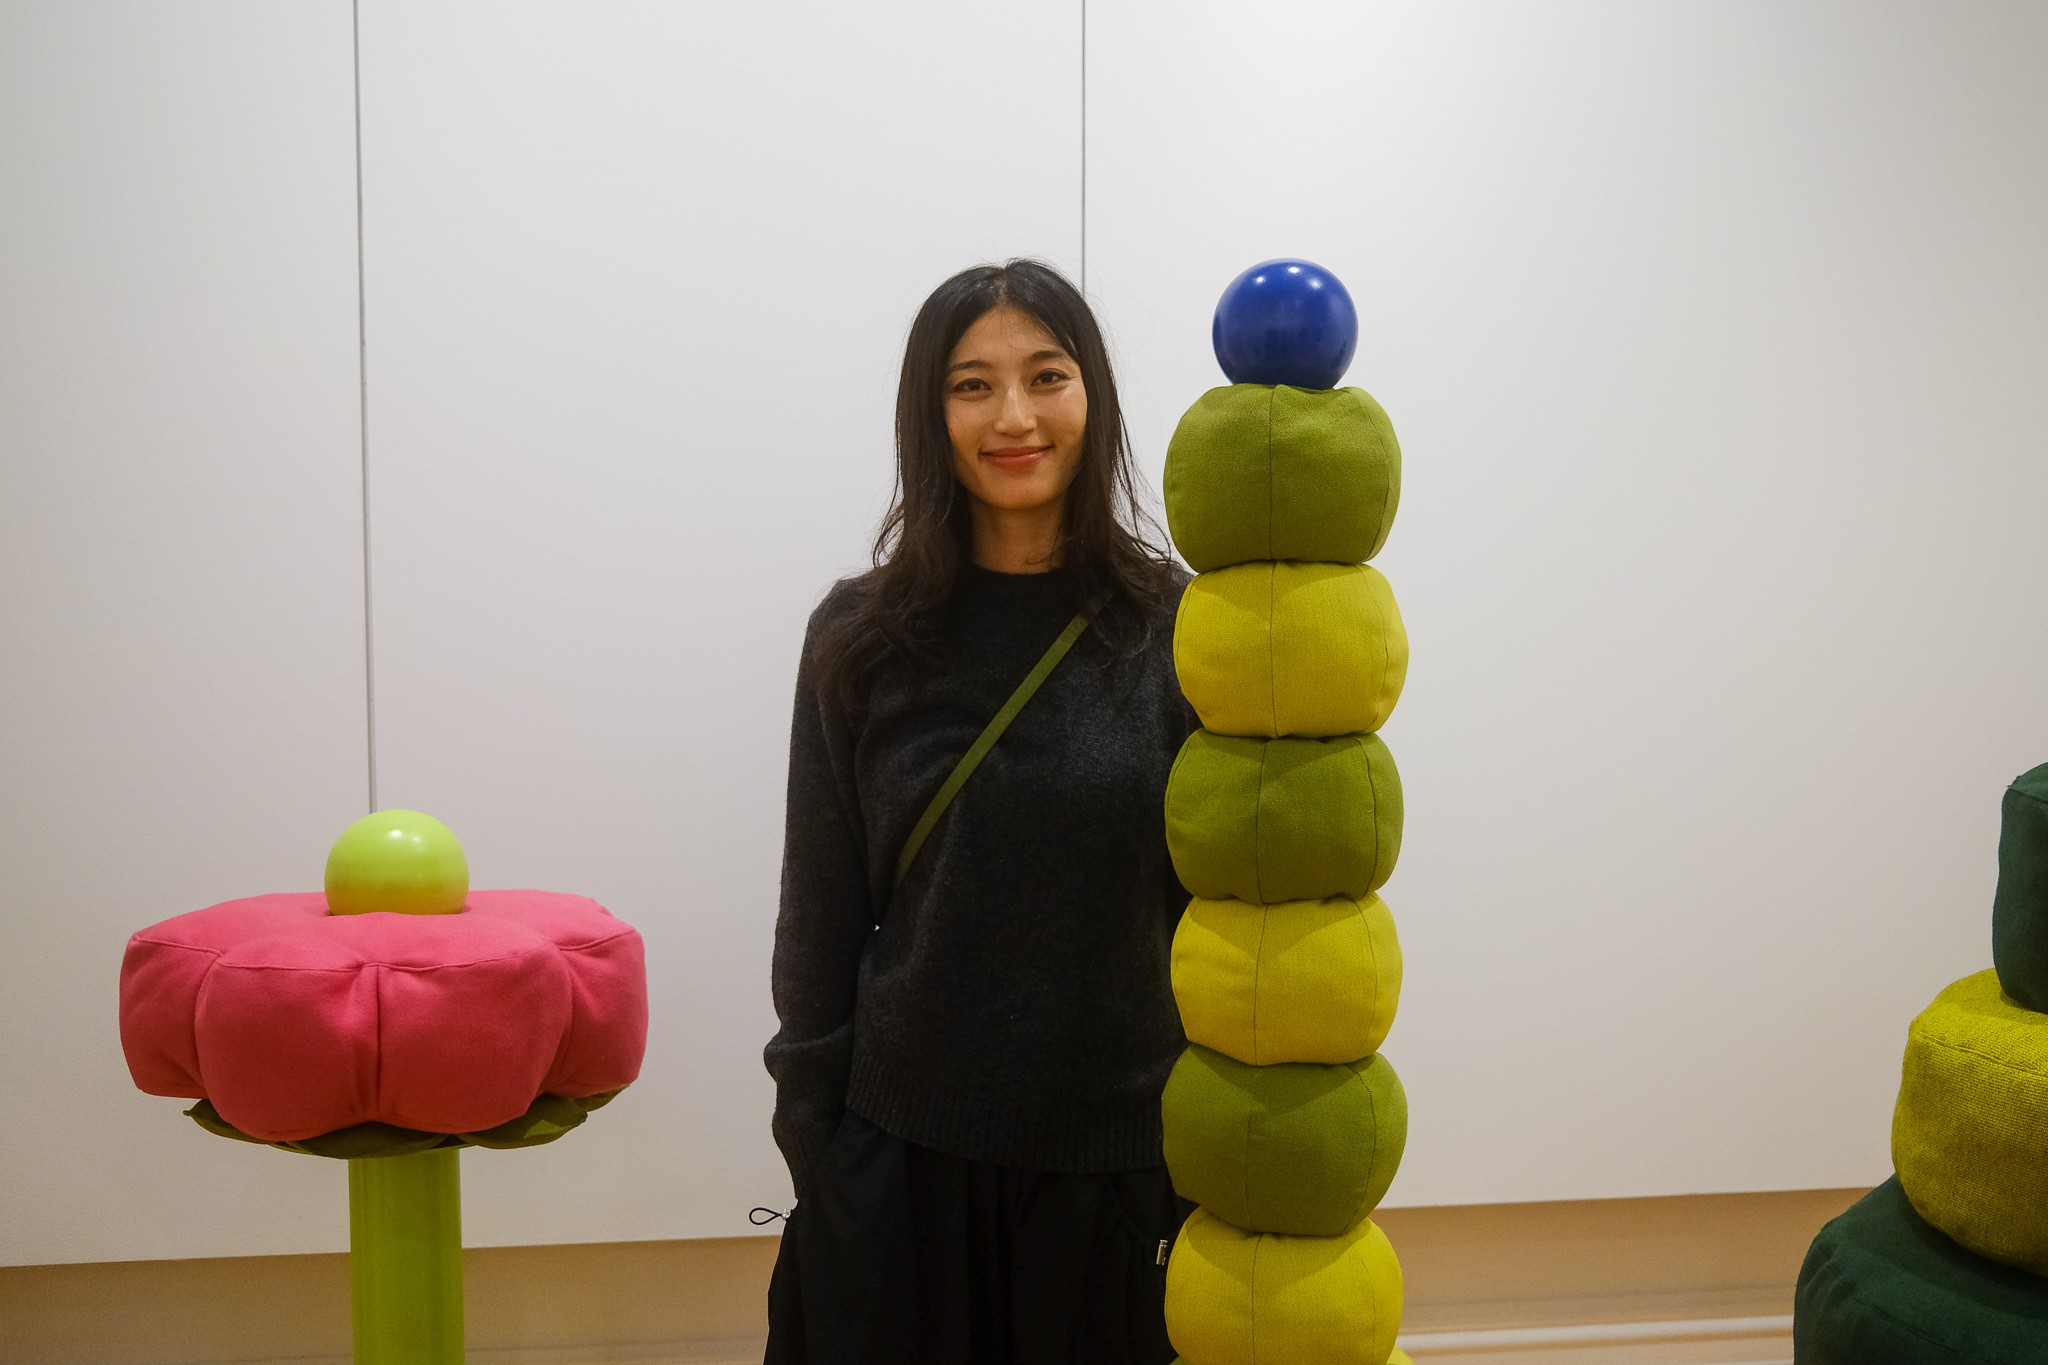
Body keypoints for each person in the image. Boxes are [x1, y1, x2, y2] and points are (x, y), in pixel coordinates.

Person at [762, 259, 1196, 1364]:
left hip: (1116, 1174)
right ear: (930, 412)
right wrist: (818, 1153)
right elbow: (817, 919)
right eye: (972, 385)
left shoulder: (1179, 632)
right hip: (903, 1165)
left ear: (1089, 396)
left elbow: (1213, 919)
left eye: (1044, 376)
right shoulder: (860, 639)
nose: (1013, 417)